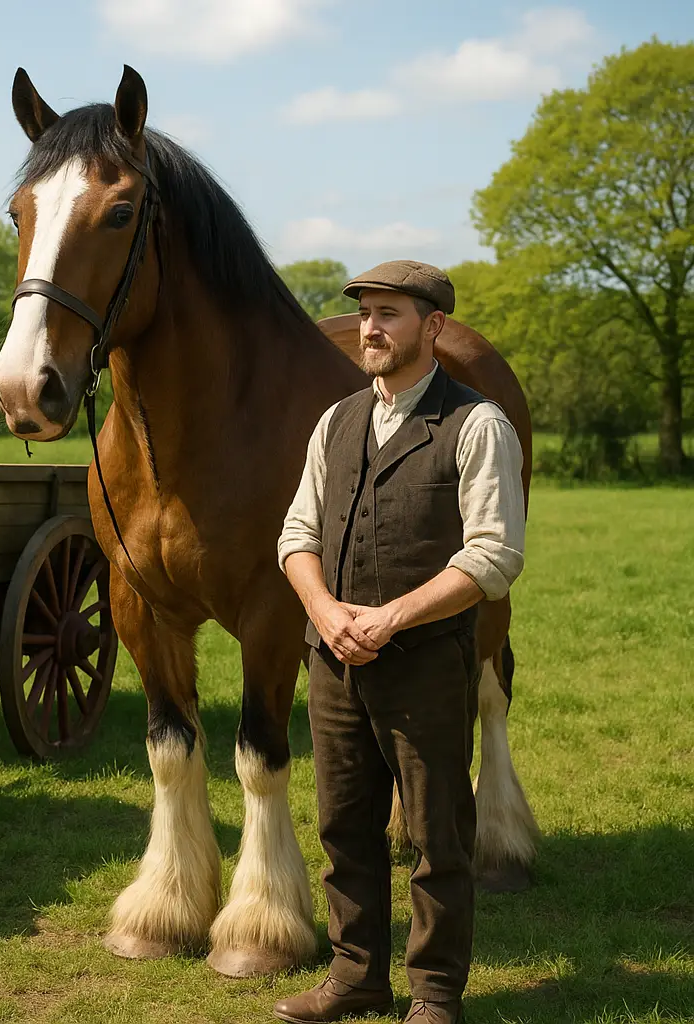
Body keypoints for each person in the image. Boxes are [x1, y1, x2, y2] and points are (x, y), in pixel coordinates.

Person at [272, 261, 526, 1024]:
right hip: (333, 662)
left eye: (389, 314)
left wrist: (389, 618)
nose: (370, 329)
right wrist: (323, 611)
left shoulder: (478, 425)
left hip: (425, 665)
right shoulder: (336, 420)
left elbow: (493, 557)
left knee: (435, 837)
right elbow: (296, 533)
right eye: (365, 315)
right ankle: (356, 977)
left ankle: (435, 995)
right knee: (344, 829)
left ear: (434, 327)